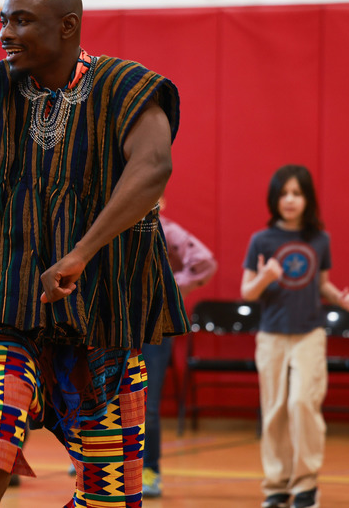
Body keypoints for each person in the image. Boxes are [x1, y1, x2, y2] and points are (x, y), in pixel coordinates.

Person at [0, 0, 188, 507]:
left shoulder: (124, 86)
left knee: (111, 496)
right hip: (6, 307)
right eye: (3, 19)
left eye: (21, 20)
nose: (5, 32)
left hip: (103, 316)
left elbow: (153, 167)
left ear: (68, 26)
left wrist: (80, 252)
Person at [240, 164, 349, 508]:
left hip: (309, 333)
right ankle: (276, 486)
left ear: (307, 199)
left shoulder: (320, 239)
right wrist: (266, 277)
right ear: (274, 199)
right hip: (272, 336)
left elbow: (321, 284)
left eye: (297, 193)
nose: (290, 200)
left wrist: (340, 298)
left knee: (302, 403)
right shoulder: (261, 240)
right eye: (284, 193)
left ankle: (306, 485)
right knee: (274, 410)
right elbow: (247, 292)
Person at [142, 196, 217, 498]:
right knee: (103, 398)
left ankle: (150, 469)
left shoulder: (167, 231)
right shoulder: (111, 229)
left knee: (148, 404)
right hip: (117, 326)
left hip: (155, 328)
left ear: (161, 201)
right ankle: (97, 464)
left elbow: (205, 262)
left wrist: (170, 286)